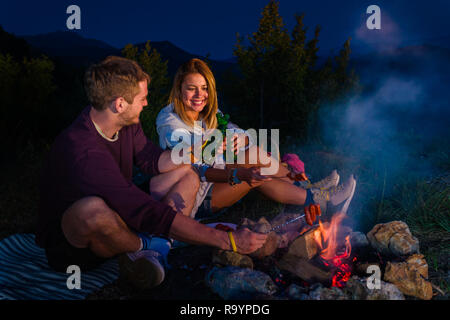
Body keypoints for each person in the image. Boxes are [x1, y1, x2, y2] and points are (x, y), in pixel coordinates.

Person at [36, 56, 267, 290]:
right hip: (76, 248)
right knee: (91, 210)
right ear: (119, 104)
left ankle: (155, 249)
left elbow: (151, 159)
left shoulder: (126, 123)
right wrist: (227, 240)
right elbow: (139, 208)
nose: (146, 104)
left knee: (186, 171)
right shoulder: (83, 150)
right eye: (142, 99)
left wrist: (196, 150)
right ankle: (147, 247)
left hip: (120, 209)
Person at [156, 58, 357, 224]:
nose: (200, 95)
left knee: (252, 153)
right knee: (253, 162)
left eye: (204, 88)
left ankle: (311, 191)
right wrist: (216, 145)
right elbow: (190, 157)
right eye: (192, 88)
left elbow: (241, 133)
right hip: (196, 199)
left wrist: (240, 139)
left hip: (216, 180)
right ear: (179, 89)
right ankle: (321, 197)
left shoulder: (208, 114)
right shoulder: (169, 122)